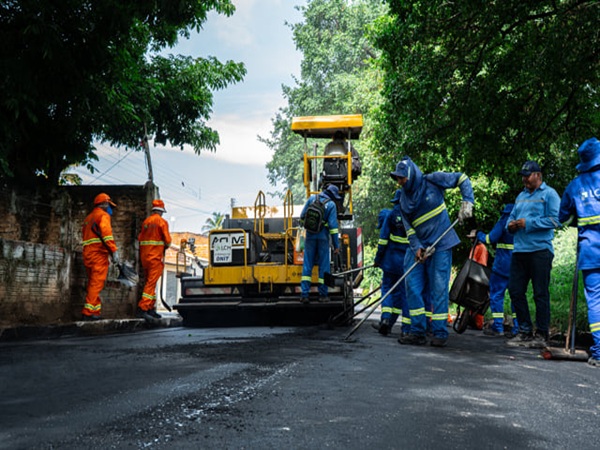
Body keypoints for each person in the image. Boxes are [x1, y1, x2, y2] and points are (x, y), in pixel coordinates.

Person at [390, 156, 474, 347]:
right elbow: (409, 228)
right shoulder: (403, 199)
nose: (400, 181)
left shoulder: (432, 180)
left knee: (438, 288)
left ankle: (439, 332)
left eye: (402, 177)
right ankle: (417, 331)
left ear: (411, 175)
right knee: (412, 285)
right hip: (419, 245)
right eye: (397, 178)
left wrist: (468, 201)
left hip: (441, 243)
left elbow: (461, 178)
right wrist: (417, 248)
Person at [506, 160, 561, 348]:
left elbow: (556, 220)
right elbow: (511, 217)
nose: (524, 179)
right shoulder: (520, 196)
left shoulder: (549, 194)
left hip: (540, 251)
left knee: (540, 293)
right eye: (523, 176)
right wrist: (511, 225)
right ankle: (525, 331)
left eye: (527, 176)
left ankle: (542, 334)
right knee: (515, 290)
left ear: (538, 175)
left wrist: (528, 223)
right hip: (520, 251)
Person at [558, 137, 600, 367]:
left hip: (591, 251)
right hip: (591, 250)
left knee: (596, 302)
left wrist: (578, 217)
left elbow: (562, 217)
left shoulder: (575, 186)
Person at [474, 204, 519, 337]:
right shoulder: (522, 221)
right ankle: (517, 328)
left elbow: (490, 238)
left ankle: (498, 327)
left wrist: (478, 234)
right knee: (517, 297)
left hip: (502, 265)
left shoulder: (505, 220)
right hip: (518, 265)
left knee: (497, 294)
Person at [371, 189, 410, 336]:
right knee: (403, 295)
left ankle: (386, 319)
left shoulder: (391, 215)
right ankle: (405, 329)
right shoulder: (411, 214)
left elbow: (383, 240)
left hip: (390, 261)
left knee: (387, 289)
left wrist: (377, 260)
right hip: (406, 263)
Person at [299, 184, 341, 303]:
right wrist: (336, 246)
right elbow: (333, 227)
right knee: (324, 266)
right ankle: (323, 295)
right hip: (323, 238)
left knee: (307, 264)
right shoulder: (331, 205)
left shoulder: (312, 199)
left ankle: (304, 295)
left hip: (310, 237)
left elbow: (302, 216)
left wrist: (308, 227)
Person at [81, 193, 118, 320]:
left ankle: (94, 311)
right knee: (96, 284)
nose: (110, 208)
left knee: (93, 283)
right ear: (104, 203)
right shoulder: (103, 216)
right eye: (109, 205)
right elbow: (107, 235)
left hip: (88, 254)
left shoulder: (88, 218)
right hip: (98, 254)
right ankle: (87, 312)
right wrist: (114, 251)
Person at [137, 199, 172, 321]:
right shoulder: (162, 222)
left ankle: (150, 308)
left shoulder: (146, 222)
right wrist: (165, 245)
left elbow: (140, 238)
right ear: (161, 211)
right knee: (151, 284)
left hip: (145, 257)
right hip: (155, 258)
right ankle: (143, 307)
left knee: (149, 282)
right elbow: (168, 240)